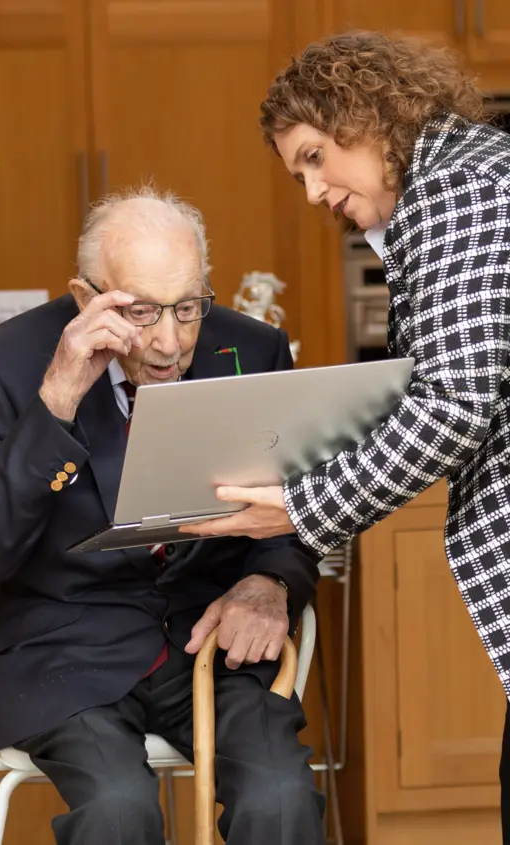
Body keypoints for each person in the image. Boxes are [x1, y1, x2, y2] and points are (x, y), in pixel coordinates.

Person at [179, 28, 510, 840]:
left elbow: (455, 400)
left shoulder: (455, 191)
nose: (314, 191)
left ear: (364, 116)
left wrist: (299, 505)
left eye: (316, 157)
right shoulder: (476, 171)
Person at [0, 186, 325, 845]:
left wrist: (270, 583)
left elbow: (292, 514)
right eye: (143, 311)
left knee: (281, 793)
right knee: (118, 808)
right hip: (64, 651)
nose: (170, 341)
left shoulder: (252, 349)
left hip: (209, 639)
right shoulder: (4, 364)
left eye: (188, 307)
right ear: (85, 296)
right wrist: (58, 396)